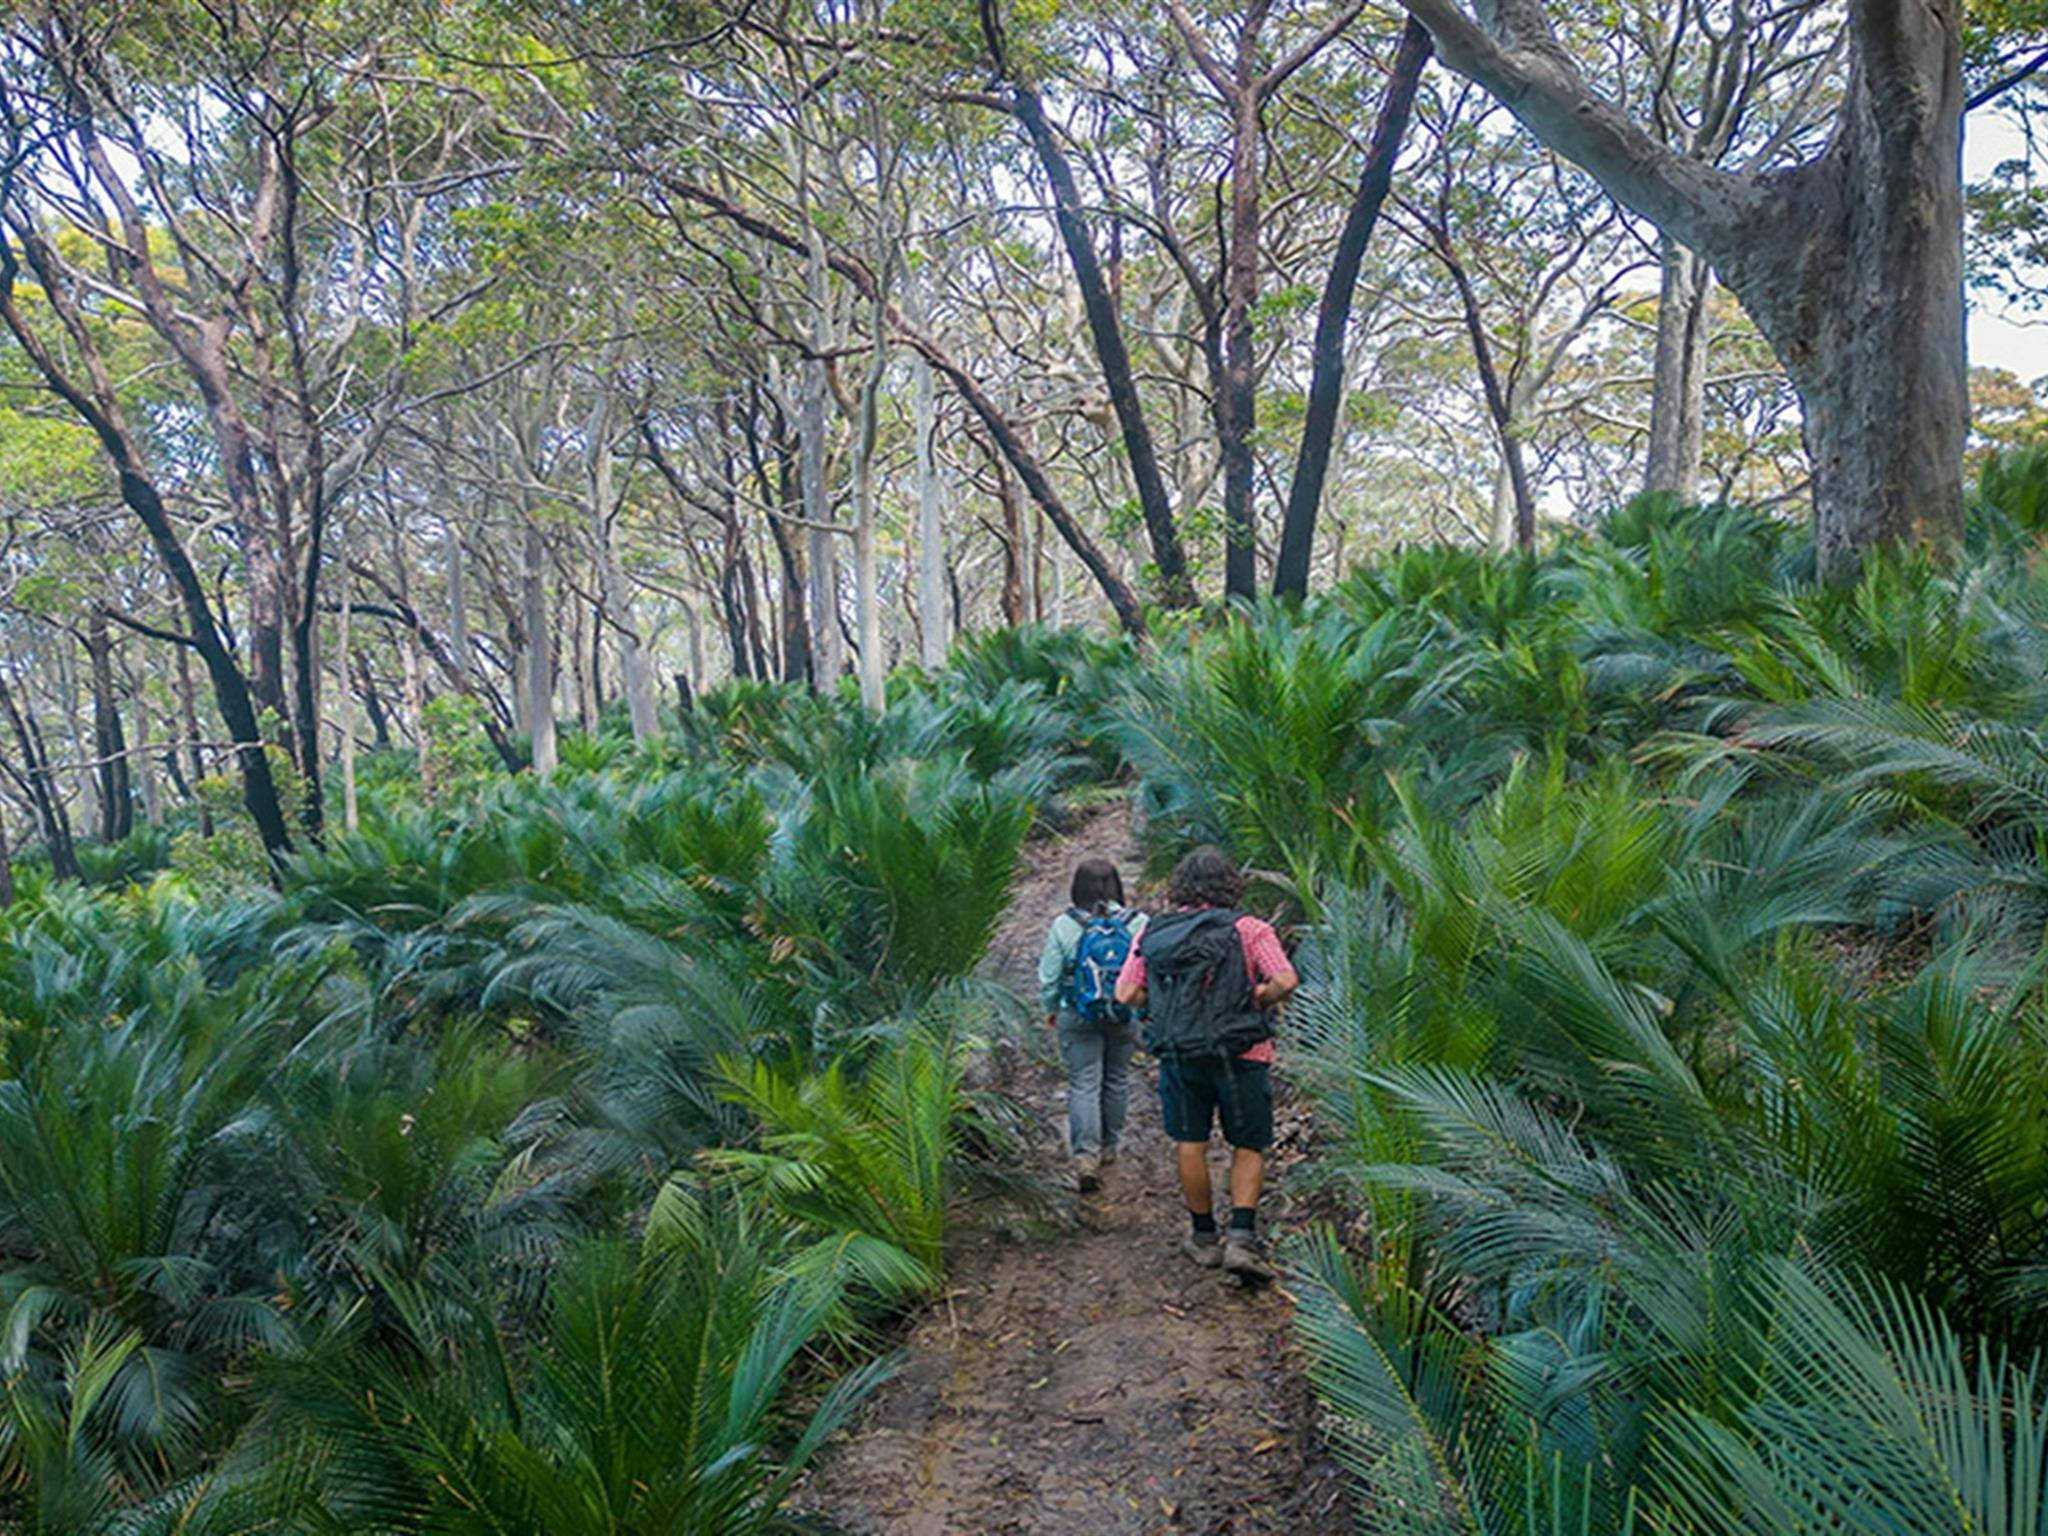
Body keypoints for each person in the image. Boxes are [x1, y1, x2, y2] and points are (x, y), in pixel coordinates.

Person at [1115, 848, 1296, 1282]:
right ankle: (1241, 1236)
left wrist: (1166, 1007)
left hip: (1181, 1053)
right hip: (1243, 1054)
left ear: (1180, 887)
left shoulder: (1155, 932)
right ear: (1231, 884)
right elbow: (1285, 980)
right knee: (1247, 1144)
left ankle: (1202, 1238)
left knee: (1189, 1142)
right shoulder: (1250, 930)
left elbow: (1126, 993)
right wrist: (1255, 1000)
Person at [1037, 856, 1144, 1193]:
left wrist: (1051, 1007)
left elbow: (1049, 976)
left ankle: (1086, 1156)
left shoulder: (1064, 925)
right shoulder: (1138, 922)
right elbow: (1148, 968)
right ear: (1116, 885)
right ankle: (1110, 1147)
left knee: (1084, 1081)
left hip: (1077, 1011)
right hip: (1124, 1010)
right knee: (1116, 1077)